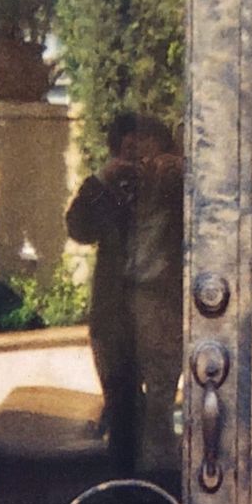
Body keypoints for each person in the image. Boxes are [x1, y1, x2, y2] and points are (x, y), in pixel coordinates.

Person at [65, 112, 184, 480]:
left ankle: (161, 491)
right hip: (114, 309)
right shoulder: (113, 189)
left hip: (160, 304)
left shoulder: (177, 189)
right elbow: (79, 228)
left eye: (149, 147)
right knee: (120, 404)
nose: (142, 161)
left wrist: (185, 173)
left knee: (160, 408)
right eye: (130, 150)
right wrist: (102, 179)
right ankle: (125, 494)